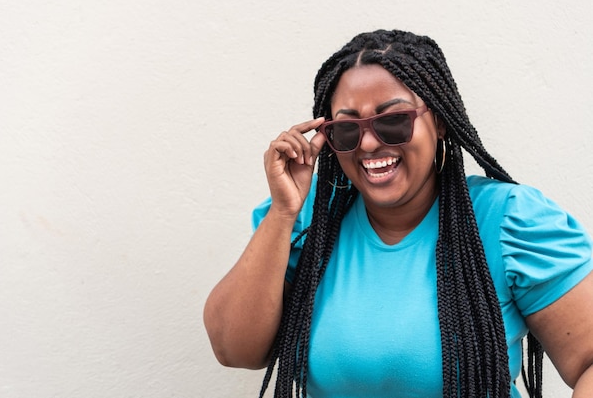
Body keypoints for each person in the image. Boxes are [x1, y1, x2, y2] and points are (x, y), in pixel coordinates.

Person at [203, 29, 593, 398]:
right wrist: (284, 212)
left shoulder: (507, 221)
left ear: (438, 121)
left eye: (393, 121)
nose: (369, 143)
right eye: (347, 129)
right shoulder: (306, 220)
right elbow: (234, 351)